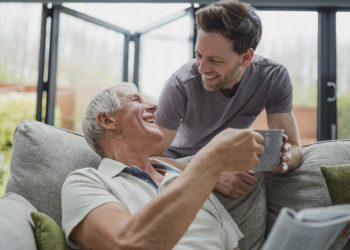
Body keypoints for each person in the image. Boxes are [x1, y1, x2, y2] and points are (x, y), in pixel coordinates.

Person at [61, 83, 265, 250]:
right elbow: (123, 245)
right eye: (135, 100)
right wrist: (211, 160)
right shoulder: (86, 182)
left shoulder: (192, 182)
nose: (154, 106)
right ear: (107, 119)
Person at [152, 0, 302, 200]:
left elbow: (294, 147)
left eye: (214, 60)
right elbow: (148, 158)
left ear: (246, 58)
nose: (202, 68)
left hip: (225, 159)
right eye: (198, 55)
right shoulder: (180, 85)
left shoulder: (273, 76)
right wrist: (211, 174)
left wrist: (282, 159)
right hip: (181, 163)